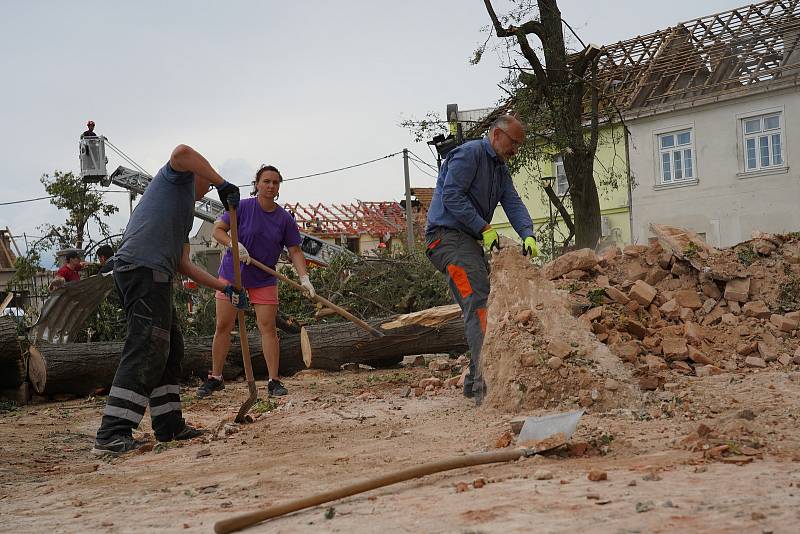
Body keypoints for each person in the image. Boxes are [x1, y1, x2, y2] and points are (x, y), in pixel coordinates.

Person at [92, 144, 248, 455]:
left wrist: (225, 286)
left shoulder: (183, 213)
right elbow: (181, 152)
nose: (204, 191)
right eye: (204, 181)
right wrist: (221, 182)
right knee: (147, 345)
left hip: (153, 273)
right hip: (142, 270)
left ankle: (168, 424)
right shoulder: (175, 179)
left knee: (169, 347)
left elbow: (184, 264)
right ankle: (112, 433)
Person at [424, 115, 539, 405]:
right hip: (446, 239)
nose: (516, 150)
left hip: (465, 240)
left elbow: (512, 202)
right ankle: (482, 387)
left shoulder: (500, 170)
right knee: (478, 304)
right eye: (514, 143)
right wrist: (484, 228)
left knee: (484, 304)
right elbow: (451, 196)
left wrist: (528, 234)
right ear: (498, 135)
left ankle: (476, 381)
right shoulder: (470, 154)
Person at [196, 164, 314, 399]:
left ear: (279, 187)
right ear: (257, 184)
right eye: (266, 181)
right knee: (223, 325)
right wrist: (234, 244)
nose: (270, 186)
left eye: (275, 182)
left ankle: (273, 381)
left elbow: (295, 251)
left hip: (264, 277)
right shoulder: (241, 207)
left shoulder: (284, 219)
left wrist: (305, 278)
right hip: (233, 274)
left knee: (268, 327)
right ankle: (216, 378)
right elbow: (218, 231)